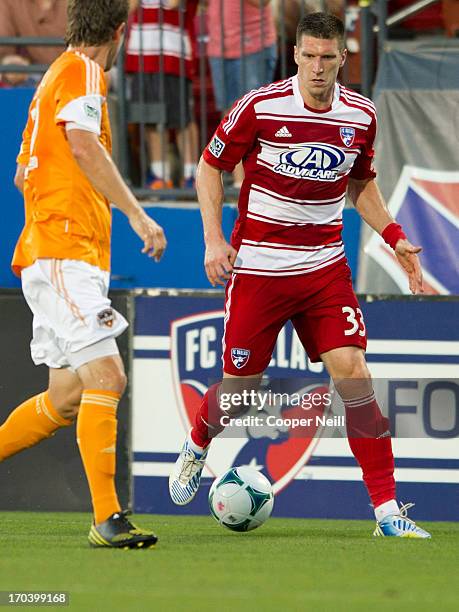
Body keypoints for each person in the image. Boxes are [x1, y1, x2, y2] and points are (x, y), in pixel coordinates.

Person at [169, 12, 431, 538]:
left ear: (342, 58)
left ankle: (387, 513)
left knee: (354, 376)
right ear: (294, 54)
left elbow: (360, 184)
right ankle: (199, 442)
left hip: (323, 269)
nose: (317, 67)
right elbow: (208, 166)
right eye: (308, 56)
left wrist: (395, 236)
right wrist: (214, 239)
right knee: (241, 388)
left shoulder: (360, 115)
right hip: (260, 269)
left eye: (327, 57)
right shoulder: (260, 107)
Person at [0, 0, 167, 549]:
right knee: (108, 378)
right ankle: (107, 518)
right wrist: (137, 214)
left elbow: (24, 173)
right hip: (65, 254)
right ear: (120, 31)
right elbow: (81, 143)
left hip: (57, 252)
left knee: (68, 395)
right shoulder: (84, 72)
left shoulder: (53, 77)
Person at [125, 0, 199, 189]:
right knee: (150, 118)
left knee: (182, 119)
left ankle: (191, 176)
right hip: (142, 55)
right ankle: (160, 174)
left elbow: (173, 3)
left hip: (174, 56)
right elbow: (128, 7)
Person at [206, 0, 277, 186]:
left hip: (253, 45)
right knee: (230, 115)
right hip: (219, 46)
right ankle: (240, 181)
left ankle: (259, 179)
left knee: (256, 115)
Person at [0, 0, 68, 86]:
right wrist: (9, 62)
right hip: (35, 81)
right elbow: (4, 49)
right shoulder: (9, 3)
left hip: (79, 75)